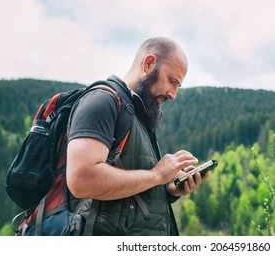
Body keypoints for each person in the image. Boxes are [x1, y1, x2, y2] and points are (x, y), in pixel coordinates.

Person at [66, 37, 208, 235]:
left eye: (178, 86)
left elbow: (131, 194)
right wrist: (157, 175)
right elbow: (81, 179)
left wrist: (167, 188)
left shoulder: (139, 114)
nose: (173, 94)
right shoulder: (102, 101)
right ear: (149, 64)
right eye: (172, 81)